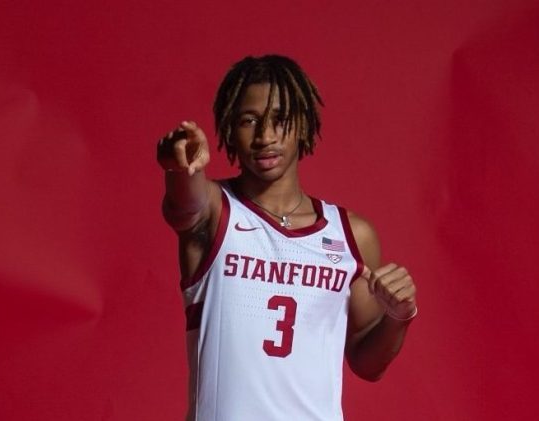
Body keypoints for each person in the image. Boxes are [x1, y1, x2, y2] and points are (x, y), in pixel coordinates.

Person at [157, 55, 418, 421]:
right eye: (249, 121)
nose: (265, 136)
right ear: (230, 129)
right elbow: (184, 205)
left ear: (304, 125)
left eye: (280, 120)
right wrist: (178, 165)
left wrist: (399, 316)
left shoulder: (350, 235)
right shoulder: (216, 212)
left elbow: (367, 363)